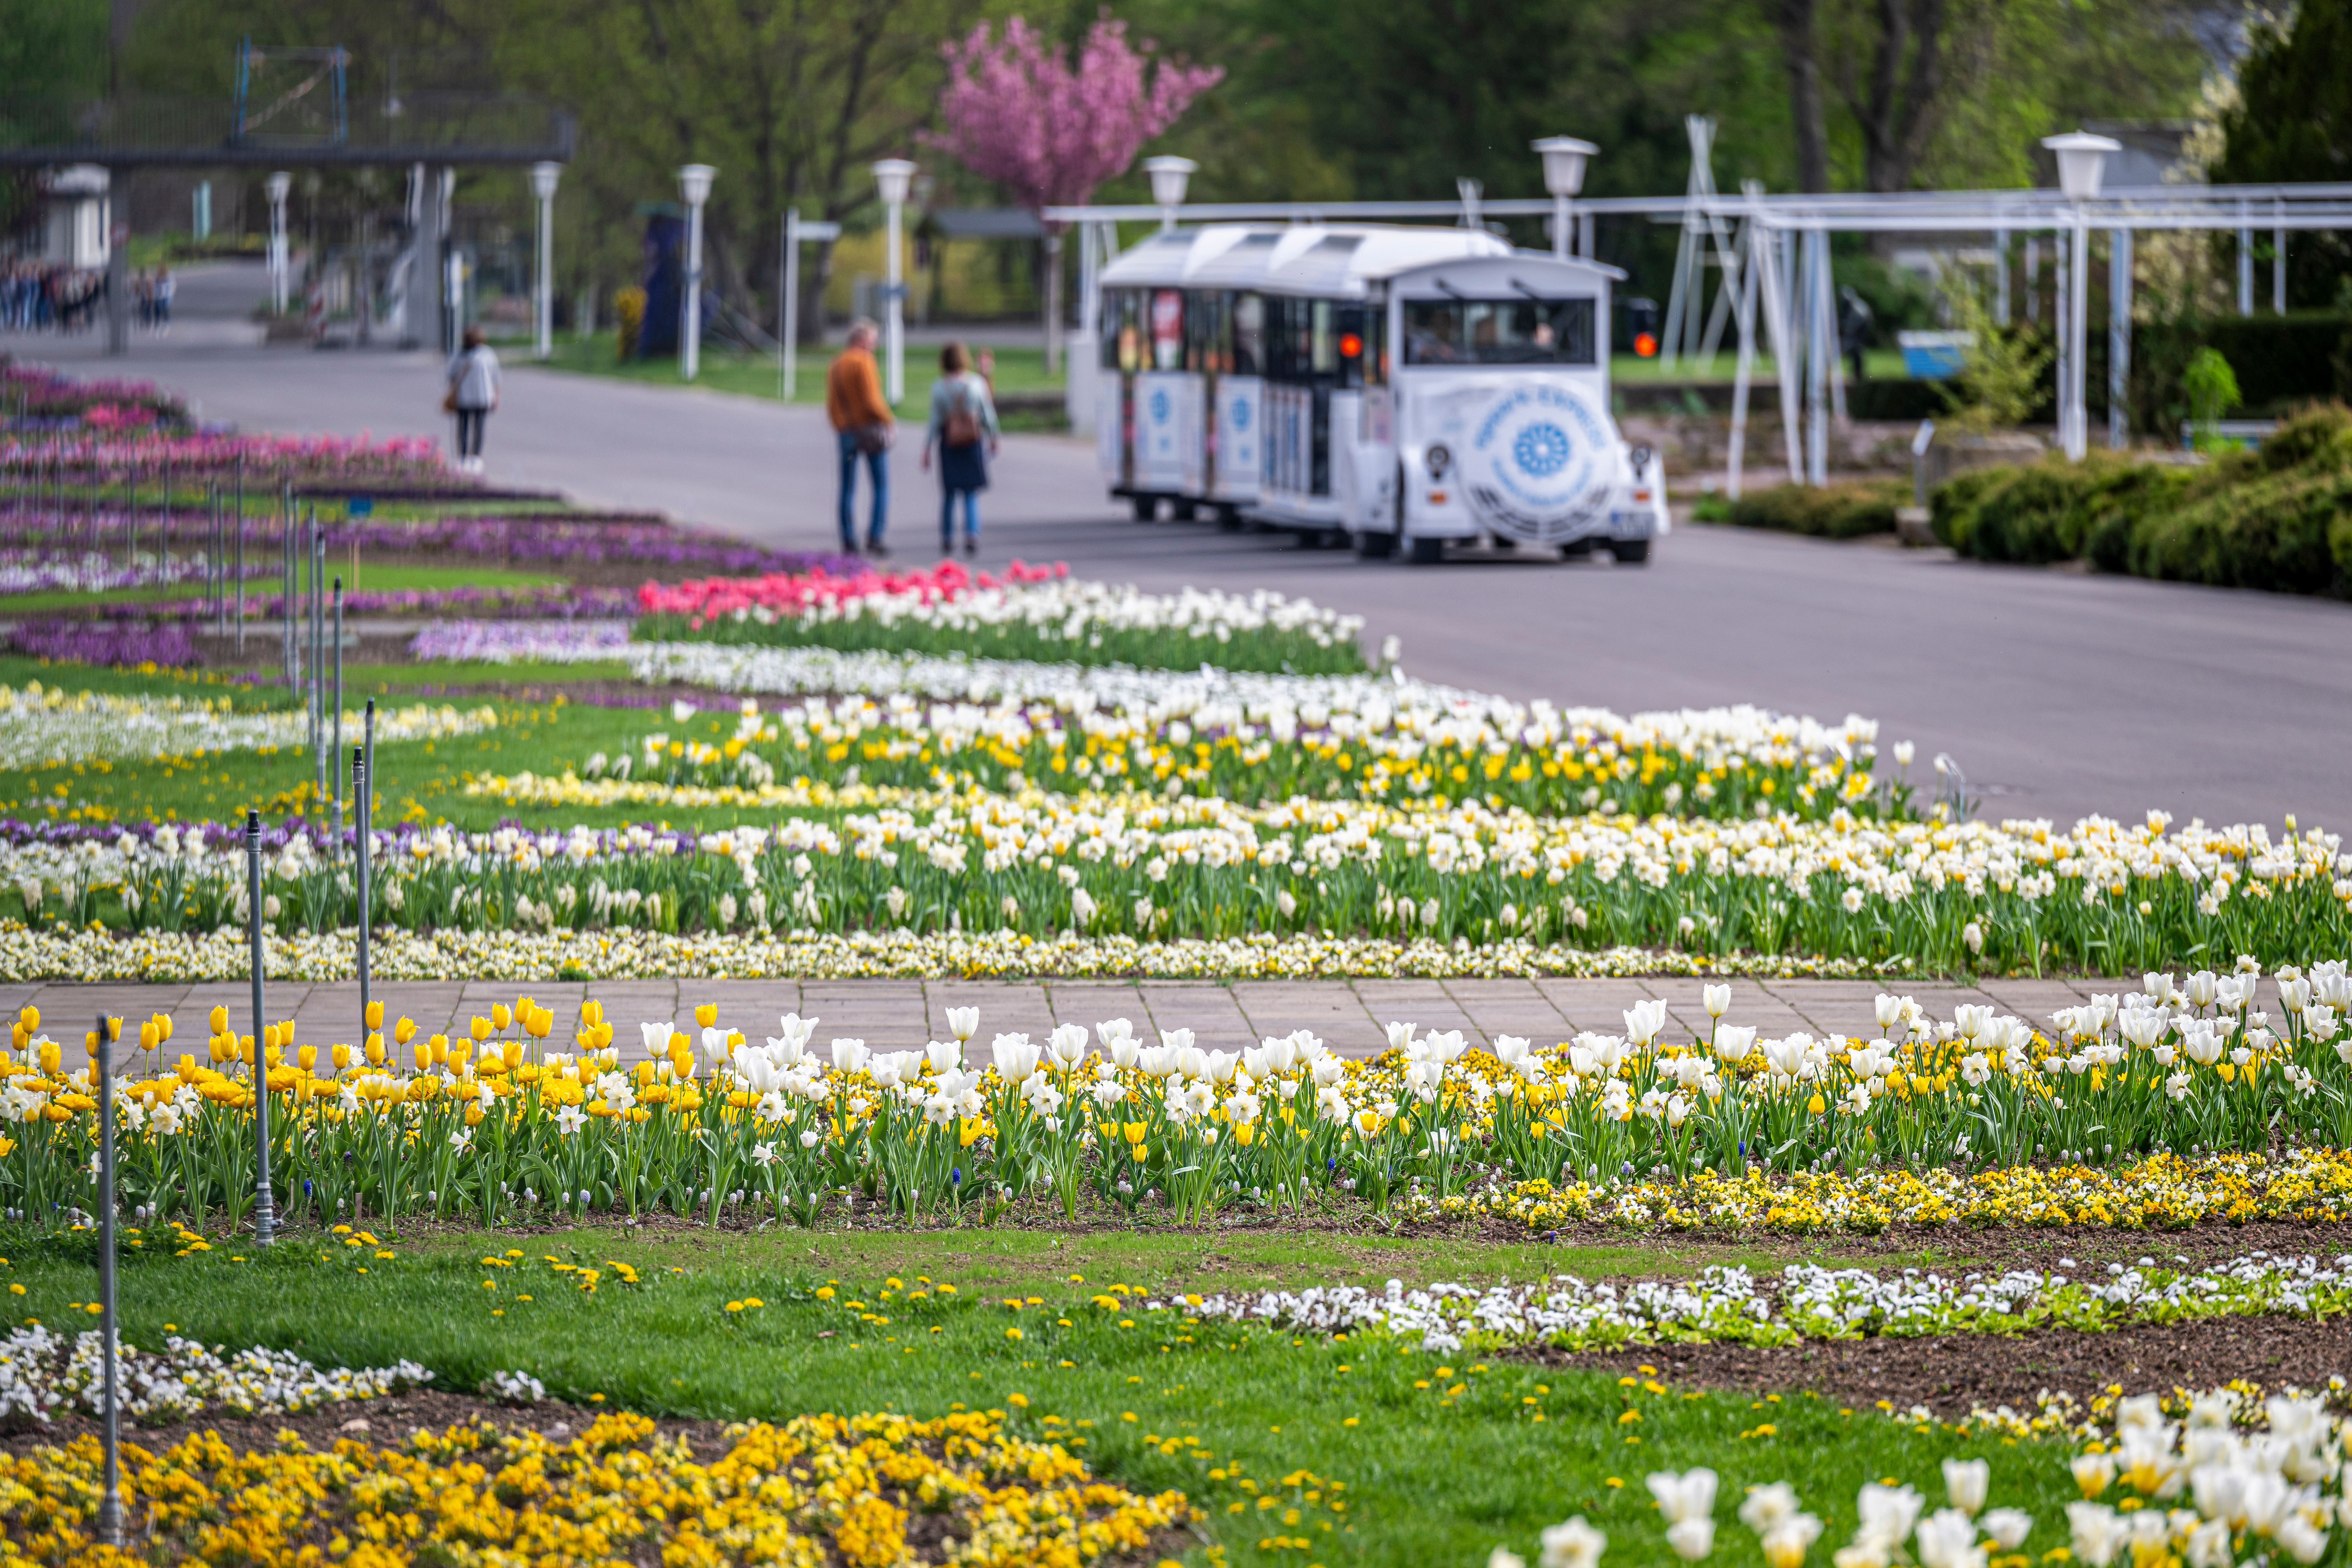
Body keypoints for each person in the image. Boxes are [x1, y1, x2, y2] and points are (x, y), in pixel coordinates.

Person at [922, 342, 999, 558]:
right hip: (972, 440)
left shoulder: (939, 387)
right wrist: (994, 436)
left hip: (950, 440)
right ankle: (971, 534)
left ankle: (947, 537)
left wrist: (927, 448)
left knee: (949, 493)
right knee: (970, 492)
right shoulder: (976, 384)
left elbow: (934, 421)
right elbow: (987, 413)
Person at [826, 317, 893, 556]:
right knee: (881, 486)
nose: (874, 344)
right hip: (869, 430)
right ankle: (875, 536)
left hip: (846, 432)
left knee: (847, 487)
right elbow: (872, 400)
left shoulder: (837, 363)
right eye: (872, 339)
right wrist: (888, 420)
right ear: (861, 339)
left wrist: (840, 424)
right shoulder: (864, 361)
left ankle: (848, 538)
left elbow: (832, 403)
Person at [445, 326, 502, 474]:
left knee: (479, 428)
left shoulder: (487, 354)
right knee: (463, 428)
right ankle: (463, 457)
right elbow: (451, 375)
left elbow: (496, 377)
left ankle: (476, 458)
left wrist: (496, 397)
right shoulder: (460, 355)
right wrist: (453, 394)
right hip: (464, 397)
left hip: (483, 397)